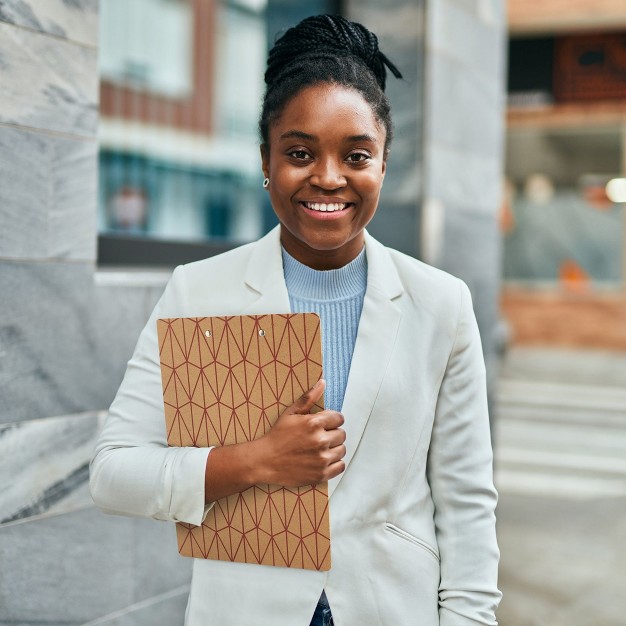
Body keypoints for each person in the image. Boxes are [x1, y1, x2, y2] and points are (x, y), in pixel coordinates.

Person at [90, 14, 501, 626]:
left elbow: (467, 504)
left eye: (356, 155)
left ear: (384, 162)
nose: (328, 178)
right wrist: (253, 460)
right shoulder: (199, 292)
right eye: (300, 153)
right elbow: (112, 472)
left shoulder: (440, 302)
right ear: (265, 160)